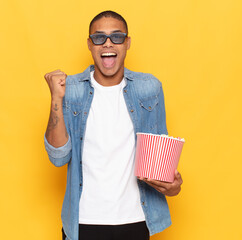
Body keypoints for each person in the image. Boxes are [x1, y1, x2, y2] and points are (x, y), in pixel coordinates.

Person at [44, 10, 183, 240]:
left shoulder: (149, 88)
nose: (108, 43)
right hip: (84, 221)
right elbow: (58, 157)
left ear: (127, 43)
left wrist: (173, 186)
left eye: (117, 37)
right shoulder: (72, 89)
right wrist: (56, 98)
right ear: (89, 44)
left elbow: (161, 164)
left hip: (136, 219)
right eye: (99, 37)